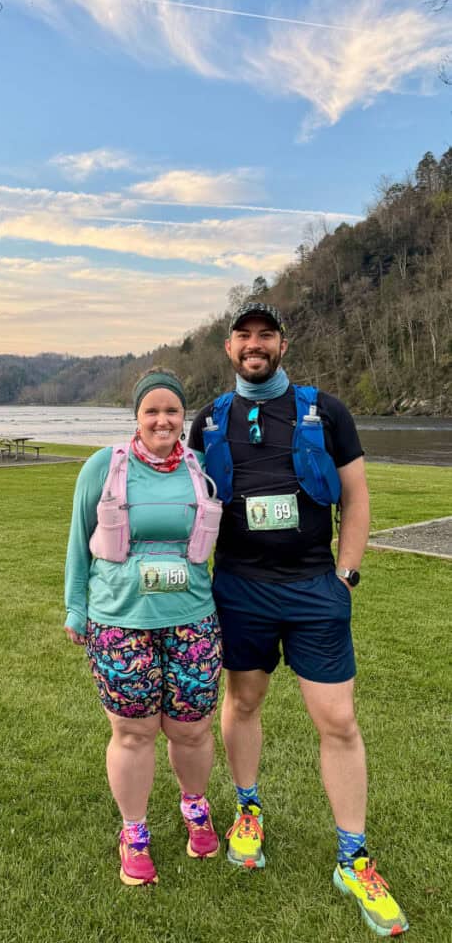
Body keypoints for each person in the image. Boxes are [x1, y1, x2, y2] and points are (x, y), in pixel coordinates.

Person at [188, 301, 408, 937]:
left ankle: (352, 857)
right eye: (243, 337)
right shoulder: (210, 419)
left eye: (265, 335)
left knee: (338, 720)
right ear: (229, 349)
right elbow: (185, 498)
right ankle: (248, 810)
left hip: (314, 588)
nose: (254, 345)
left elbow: (358, 496)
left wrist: (346, 573)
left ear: (282, 343)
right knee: (245, 700)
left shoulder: (327, 410)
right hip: (240, 588)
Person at [65, 368, 223, 886]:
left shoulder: (199, 468)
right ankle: (133, 832)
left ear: (184, 417)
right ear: (136, 416)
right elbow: (77, 539)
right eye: (151, 410)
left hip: (192, 620)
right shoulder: (103, 468)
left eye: (172, 411)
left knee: (192, 728)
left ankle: (194, 806)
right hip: (120, 623)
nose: (162, 419)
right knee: (133, 732)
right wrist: (76, 608)